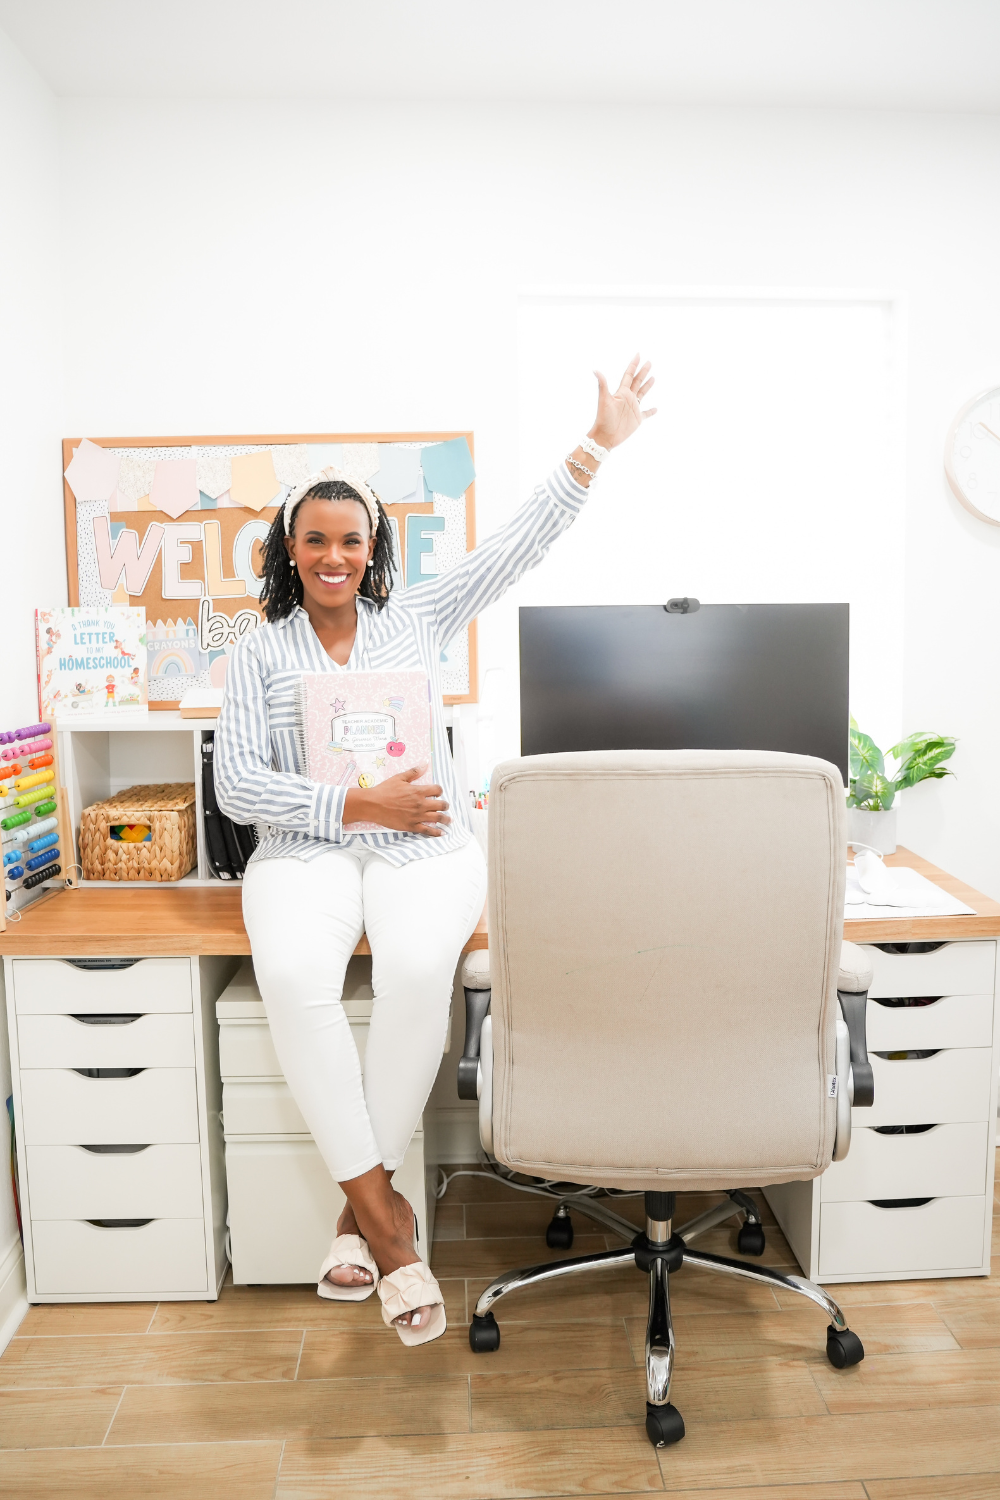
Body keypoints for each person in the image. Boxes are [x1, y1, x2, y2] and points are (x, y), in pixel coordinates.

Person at [213, 356, 656, 1345]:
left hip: (424, 847)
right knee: (290, 975)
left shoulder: (415, 617)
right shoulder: (257, 652)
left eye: (350, 540)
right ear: (290, 548)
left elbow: (516, 544)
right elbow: (236, 785)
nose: (333, 556)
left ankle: (355, 1215)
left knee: (419, 968)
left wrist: (595, 445)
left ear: (373, 550)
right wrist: (351, 800)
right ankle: (391, 1224)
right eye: (314, 540)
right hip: (307, 851)